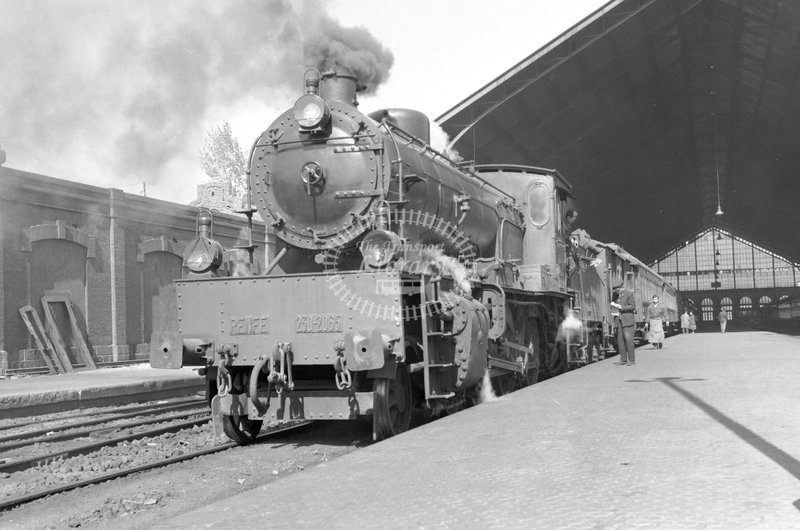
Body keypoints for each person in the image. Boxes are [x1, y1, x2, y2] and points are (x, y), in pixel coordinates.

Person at [611, 278, 636, 366]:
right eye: (614, 290)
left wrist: (621, 307)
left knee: (629, 340)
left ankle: (632, 360)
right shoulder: (615, 295)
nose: (615, 291)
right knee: (620, 340)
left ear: (621, 288)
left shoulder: (629, 294)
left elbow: (633, 306)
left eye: (616, 290)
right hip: (618, 319)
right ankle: (623, 359)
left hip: (627, 320)